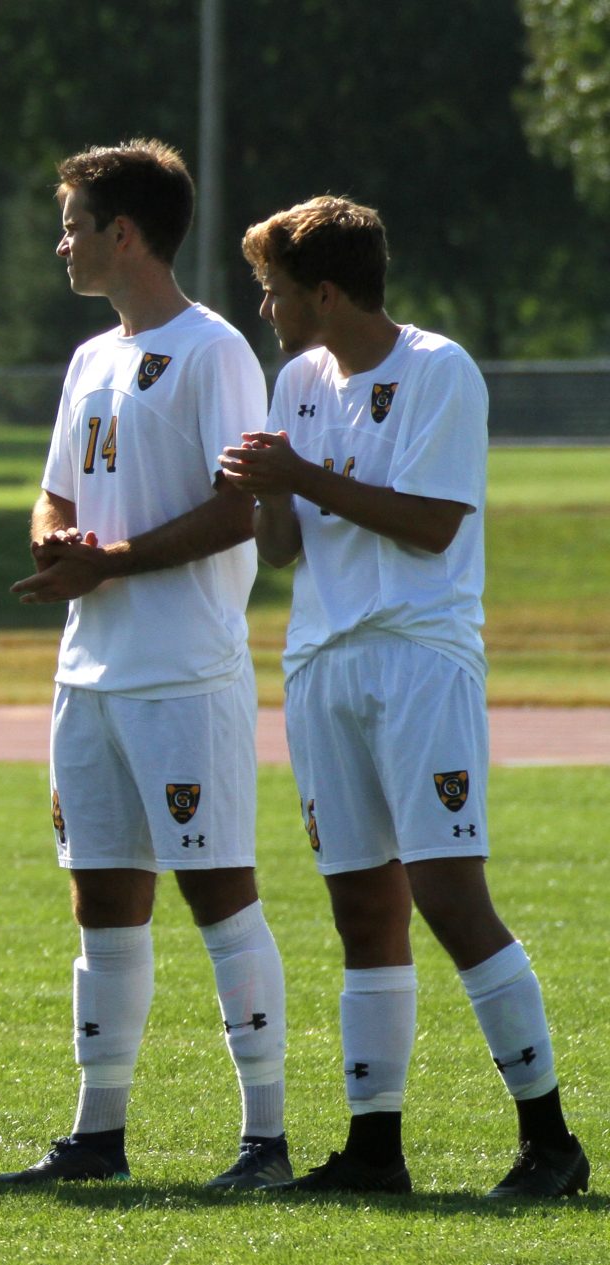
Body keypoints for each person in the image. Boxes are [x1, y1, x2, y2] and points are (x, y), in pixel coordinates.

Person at [222, 196, 587, 1198]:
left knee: (448, 897)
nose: (266, 307)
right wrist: (266, 487)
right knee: (360, 911)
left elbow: (429, 525)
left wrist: (296, 470)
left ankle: (550, 1140)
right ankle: (374, 1149)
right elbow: (287, 548)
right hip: (322, 663)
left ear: (326, 293)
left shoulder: (438, 371)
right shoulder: (295, 379)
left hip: (419, 658)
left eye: (277, 289)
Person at [0, 140, 290, 1189]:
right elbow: (56, 492)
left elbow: (239, 506)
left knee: (217, 891)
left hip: (181, 670)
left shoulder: (212, 351)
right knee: (101, 901)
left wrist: (109, 560)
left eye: (72, 221)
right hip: (90, 672)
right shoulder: (89, 358)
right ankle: (97, 1134)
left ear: (123, 233)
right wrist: (54, 541)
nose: (61, 240)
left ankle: (265, 1138)